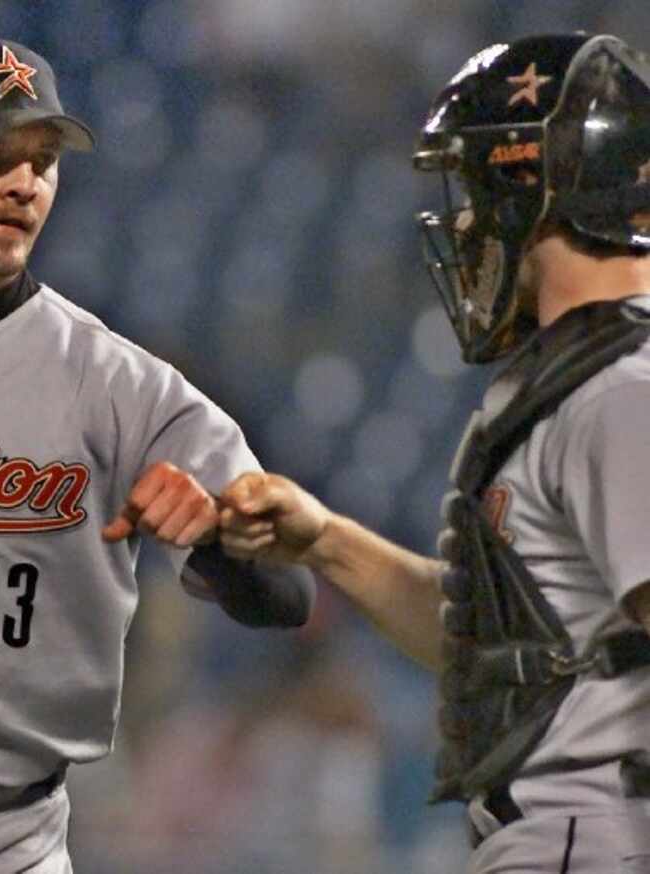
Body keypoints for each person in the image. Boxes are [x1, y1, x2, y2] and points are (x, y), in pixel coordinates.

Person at [0, 39, 314, 873]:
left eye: (43, 161)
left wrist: (223, 546)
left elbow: (287, 595)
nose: (24, 183)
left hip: (3, 843)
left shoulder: (122, 385)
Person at [219, 32, 650, 873]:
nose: (465, 220)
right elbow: (498, 645)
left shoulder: (620, 392)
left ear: (540, 187)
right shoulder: (585, 381)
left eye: (481, 184)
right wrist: (325, 541)